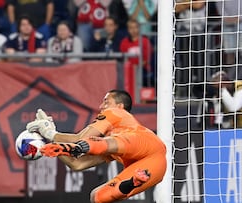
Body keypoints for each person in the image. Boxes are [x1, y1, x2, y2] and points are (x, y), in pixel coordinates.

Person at [26, 90, 166, 202]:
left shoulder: (115, 112)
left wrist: (50, 132)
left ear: (120, 106)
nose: (101, 107)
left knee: (103, 143)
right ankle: (132, 182)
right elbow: (77, 165)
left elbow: (80, 138)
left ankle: (81, 148)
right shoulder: (113, 140)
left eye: (106, 101)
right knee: (98, 196)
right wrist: (51, 144)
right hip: (151, 167)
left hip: (144, 143)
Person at [120, 19, 153, 87]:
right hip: (129, 70)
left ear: (139, 28)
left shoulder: (145, 41)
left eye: (135, 27)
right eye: (131, 28)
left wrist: (137, 67)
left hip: (143, 70)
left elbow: (147, 59)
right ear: (128, 29)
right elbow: (123, 59)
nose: (133, 30)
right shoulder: (124, 42)